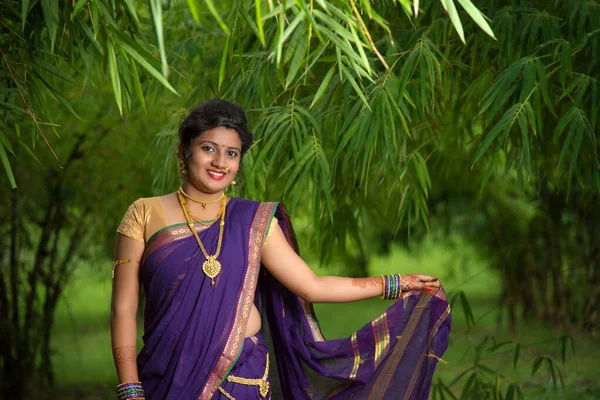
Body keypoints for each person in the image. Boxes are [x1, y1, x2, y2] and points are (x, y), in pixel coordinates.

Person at [110, 99, 451, 400]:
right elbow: (124, 309)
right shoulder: (144, 213)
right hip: (164, 375)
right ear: (185, 150)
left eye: (232, 153)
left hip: (239, 379)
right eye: (208, 148)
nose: (220, 162)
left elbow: (311, 286)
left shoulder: (253, 221)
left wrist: (396, 283)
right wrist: (130, 389)